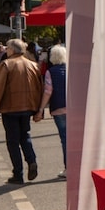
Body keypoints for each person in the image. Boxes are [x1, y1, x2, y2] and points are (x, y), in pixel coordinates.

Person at [0, 38, 43, 184]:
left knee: (12, 141)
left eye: (8, 48)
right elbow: (39, 88)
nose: (6, 50)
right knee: (25, 136)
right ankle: (31, 161)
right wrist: (38, 110)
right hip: (28, 107)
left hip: (10, 108)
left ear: (12, 50)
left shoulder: (6, 65)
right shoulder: (33, 65)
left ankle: (18, 173)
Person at [35, 45, 67, 178]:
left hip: (58, 108)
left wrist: (41, 109)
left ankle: (68, 168)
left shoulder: (50, 72)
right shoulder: (72, 69)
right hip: (74, 108)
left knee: (65, 139)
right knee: (76, 140)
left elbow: (48, 91)